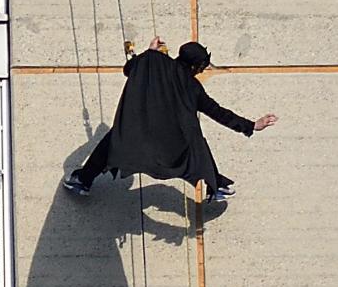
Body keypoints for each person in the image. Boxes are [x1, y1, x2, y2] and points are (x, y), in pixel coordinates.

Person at [61, 39, 277, 201]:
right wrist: (252, 125)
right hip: (169, 145)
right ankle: (217, 185)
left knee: (113, 140)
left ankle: (83, 180)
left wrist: (150, 51)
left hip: (136, 135)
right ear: (194, 67)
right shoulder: (192, 87)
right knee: (196, 144)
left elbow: (129, 69)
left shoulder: (152, 60)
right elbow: (217, 112)